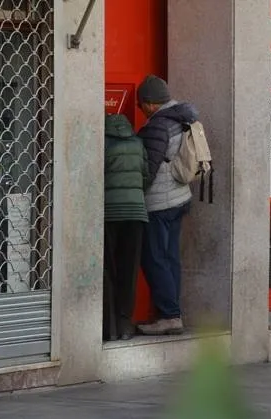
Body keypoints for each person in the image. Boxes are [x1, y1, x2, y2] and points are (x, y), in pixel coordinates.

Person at [135, 74, 197, 335]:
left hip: (160, 202)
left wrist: (132, 192)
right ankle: (172, 313)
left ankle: (169, 315)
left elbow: (148, 168)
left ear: (150, 103)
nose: (140, 109)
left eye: (140, 104)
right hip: (179, 197)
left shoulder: (158, 125)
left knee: (154, 258)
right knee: (169, 258)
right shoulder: (182, 119)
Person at [103, 114, 149, 341]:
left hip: (110, 213)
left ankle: (108, 327)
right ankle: (125, 325)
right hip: (136, 213)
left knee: (108, 269)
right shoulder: (138, 143)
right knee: (128, 271)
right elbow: (146, 177)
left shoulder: (102, 142)